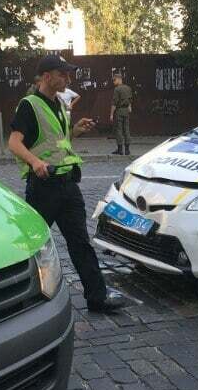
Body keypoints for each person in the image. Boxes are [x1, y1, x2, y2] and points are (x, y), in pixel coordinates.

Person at [8, 54, 125, 312]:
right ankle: (18, 298)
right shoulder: (29, 105)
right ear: (47, 76)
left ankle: (97, 296)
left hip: (68, 185)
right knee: (34, 244)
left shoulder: (60, 104)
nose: (68, 79)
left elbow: (57, 142)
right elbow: (14, 142)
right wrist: (35, 162)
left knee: (81, 242)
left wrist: (75, 132)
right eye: (63, 74)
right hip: (44, 186)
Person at [110, 74, 135, 155]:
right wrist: (129, 107)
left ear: (118, 79)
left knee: (119, 130)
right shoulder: (128, 88)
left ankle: (120, 149)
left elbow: (114, 103)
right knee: (126, 129)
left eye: (114, 80)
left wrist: (111, 114)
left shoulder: (117, 89)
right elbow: (130, 100)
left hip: (119, 110)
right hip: (126, 111)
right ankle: (127, 150)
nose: (113, 82)